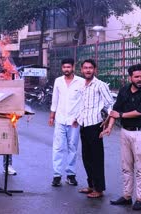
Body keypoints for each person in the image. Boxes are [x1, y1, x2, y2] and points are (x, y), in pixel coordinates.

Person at [101, 64, 141, 211]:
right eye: (136, 77)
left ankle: (139, 199)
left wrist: (121, 115)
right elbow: (116, 110)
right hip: (125, 132)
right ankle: (126, 196)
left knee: (140, 168)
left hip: (140, 133)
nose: (140, 79)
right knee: (126, 166)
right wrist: (110, 126)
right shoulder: (124, 90)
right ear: (130, 77)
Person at [77, 59, 114, 198]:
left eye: (90, 68)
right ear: (81, 70)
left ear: (95, 70)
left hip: (94, 126)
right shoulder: (82, 85)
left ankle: (99, 188)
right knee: (86, 158)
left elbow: (110, 105)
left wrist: (108, 122)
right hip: (84, 125)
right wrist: (77, 118)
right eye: (85, 68)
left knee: (96, 158)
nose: (88, 70)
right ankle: (91, 185)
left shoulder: (100, 85)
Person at [49, 58, 84, 186]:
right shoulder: (58, 81)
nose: (66, 69)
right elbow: (55, 99)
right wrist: (52, 116)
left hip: (74, 121)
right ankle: (57, 175)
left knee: (72, 148)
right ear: (62, 68)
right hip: (60, 119)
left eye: (68, 67)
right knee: (58, 148)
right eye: (64, 67)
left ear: (73, 67)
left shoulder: (80, 82)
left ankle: (70, 174)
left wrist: (79, 118)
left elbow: (83, 101)